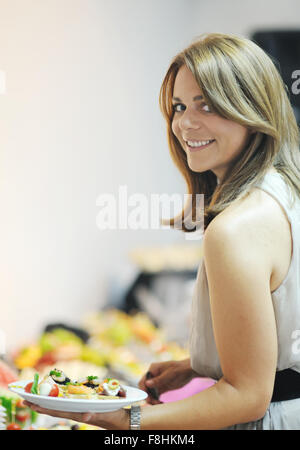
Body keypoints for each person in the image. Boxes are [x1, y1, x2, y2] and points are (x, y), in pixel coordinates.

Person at [24, 32, 300, 429]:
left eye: (207, 105)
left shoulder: (234, 229)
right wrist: (198, 365)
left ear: (252, 109)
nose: (185, 123)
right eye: (179, 106)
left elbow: (249, 397)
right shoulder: (284, 189)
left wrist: (126, 418)